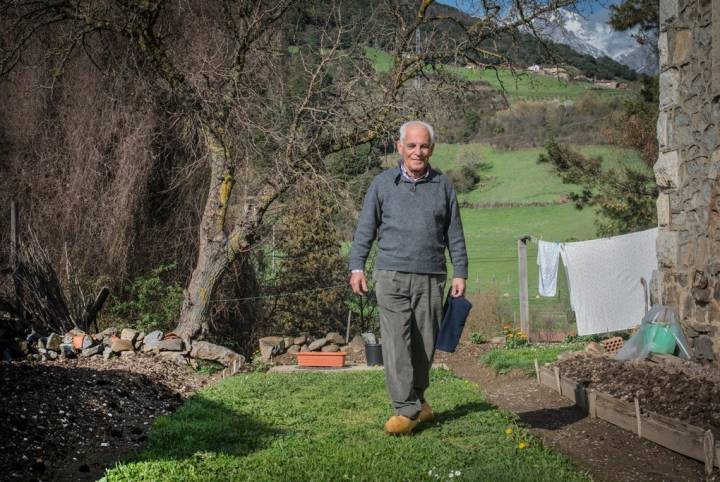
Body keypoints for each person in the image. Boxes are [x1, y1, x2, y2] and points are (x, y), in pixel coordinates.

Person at [349, 120, 468, 435]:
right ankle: (405, 409)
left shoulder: (442, 185)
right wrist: (357, 266)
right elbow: (365, 229)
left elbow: (454, 232)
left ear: (432, 148)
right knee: (396, 343)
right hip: (391, 275)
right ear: (400, 147)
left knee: (424, 345)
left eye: (424, 145)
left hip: (431, 276)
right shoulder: (382, 184)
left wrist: (461, 272)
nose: (418, 151)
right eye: (412, 145)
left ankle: (419, 401)